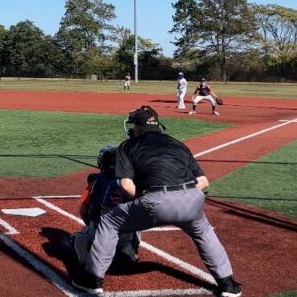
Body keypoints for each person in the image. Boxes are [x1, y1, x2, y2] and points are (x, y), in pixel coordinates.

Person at [72, 105, 242, 297]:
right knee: (203, 231)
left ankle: (93, 280)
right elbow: (203, 182)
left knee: (110, 222)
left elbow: (127, 185)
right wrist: (180, 196)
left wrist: (150, 200)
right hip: (192, 200)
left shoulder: (128, 146)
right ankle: (228, 284)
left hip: (155, 200)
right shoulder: (178, 144)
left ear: (137, 127)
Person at [61, 146, 139, 267]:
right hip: (125, 233)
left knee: (66, 242)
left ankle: (84, 245)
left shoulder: (95, 181)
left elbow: (83, 211)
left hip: (99, 232)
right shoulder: (131, 183)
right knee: (138, 219)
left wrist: (90, 226)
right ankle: (130, 248)